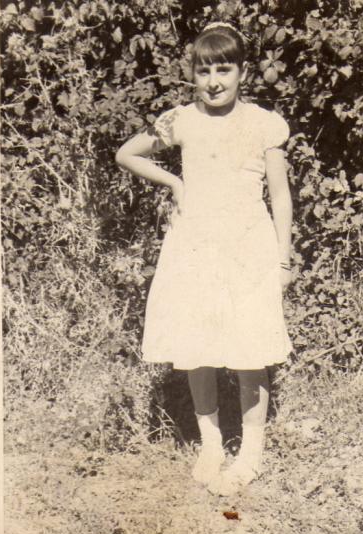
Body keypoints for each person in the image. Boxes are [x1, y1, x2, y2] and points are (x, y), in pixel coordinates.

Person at [116, 21, 293, 496]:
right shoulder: (182, 120)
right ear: (193, 74)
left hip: (248, 246)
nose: (214, 82)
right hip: (195, 243)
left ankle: (250, 454)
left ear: (243, 72)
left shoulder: (262, 124)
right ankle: (211, 443)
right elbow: (127, 153)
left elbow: (280, 196)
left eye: (224, 69)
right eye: (204, 71)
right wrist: (174, 182)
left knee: (250, 349)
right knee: (198, 344)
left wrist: (282, 260)